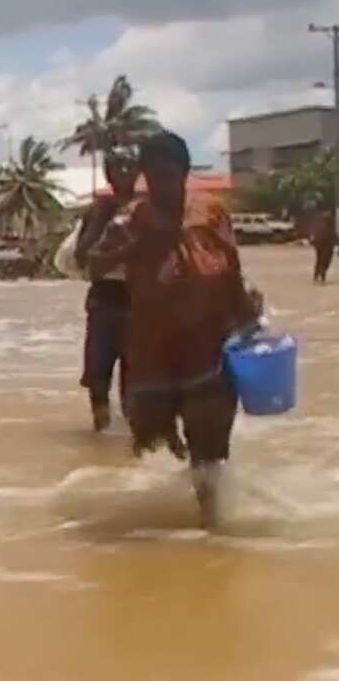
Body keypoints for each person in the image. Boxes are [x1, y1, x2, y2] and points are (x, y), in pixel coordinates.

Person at [89, 131, 260, 528]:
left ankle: (209, 523)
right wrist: (136, 246)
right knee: (150, 437)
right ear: (145, 177)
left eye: (172, 176)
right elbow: (93, 266)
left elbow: (231, 266)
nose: (165, 185)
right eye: (156, 177)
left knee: (211, 446)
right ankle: (162, 512)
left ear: (185, 173)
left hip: (209, 346)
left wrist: (248, 317)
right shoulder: (129, 220)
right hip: (152, 347)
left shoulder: (212, 213)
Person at [73, 148, 139, 432]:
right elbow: (81, 255)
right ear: (107, 173)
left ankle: (133, 444)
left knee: (135, 376)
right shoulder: (98, 210)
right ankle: (100, 433)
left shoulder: (146, 210)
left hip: (140, 301)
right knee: (98, 373)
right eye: (116, 167)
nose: (123, 172)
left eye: (128, 166)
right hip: (104, 298)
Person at [310, 206, 335, 284]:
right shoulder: (330, 220)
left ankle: (316, 276)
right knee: (325, 260)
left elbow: (313, 231)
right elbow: (332, 232)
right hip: (326, 242)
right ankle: (321, 277)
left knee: (319, 259)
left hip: (318, 242)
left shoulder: (318, 219)